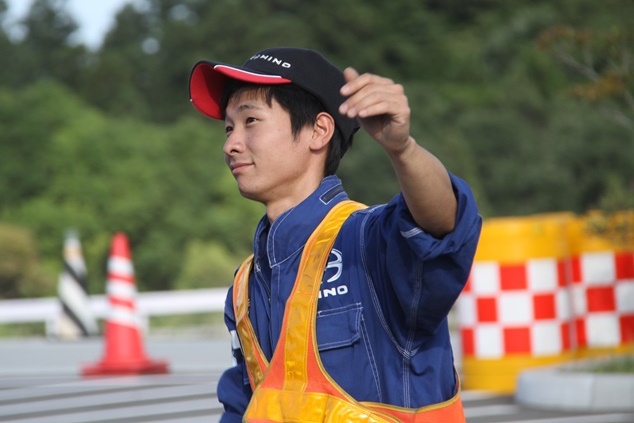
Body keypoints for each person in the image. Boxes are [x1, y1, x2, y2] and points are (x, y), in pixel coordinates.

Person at [189, 47, 481, 422]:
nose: (231, 144)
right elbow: (241, 408)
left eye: (251, 121)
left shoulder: (369, 241)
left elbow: (443, 224)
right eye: (229, 128)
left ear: (319, 130)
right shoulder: (246, 286)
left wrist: (402, 149)